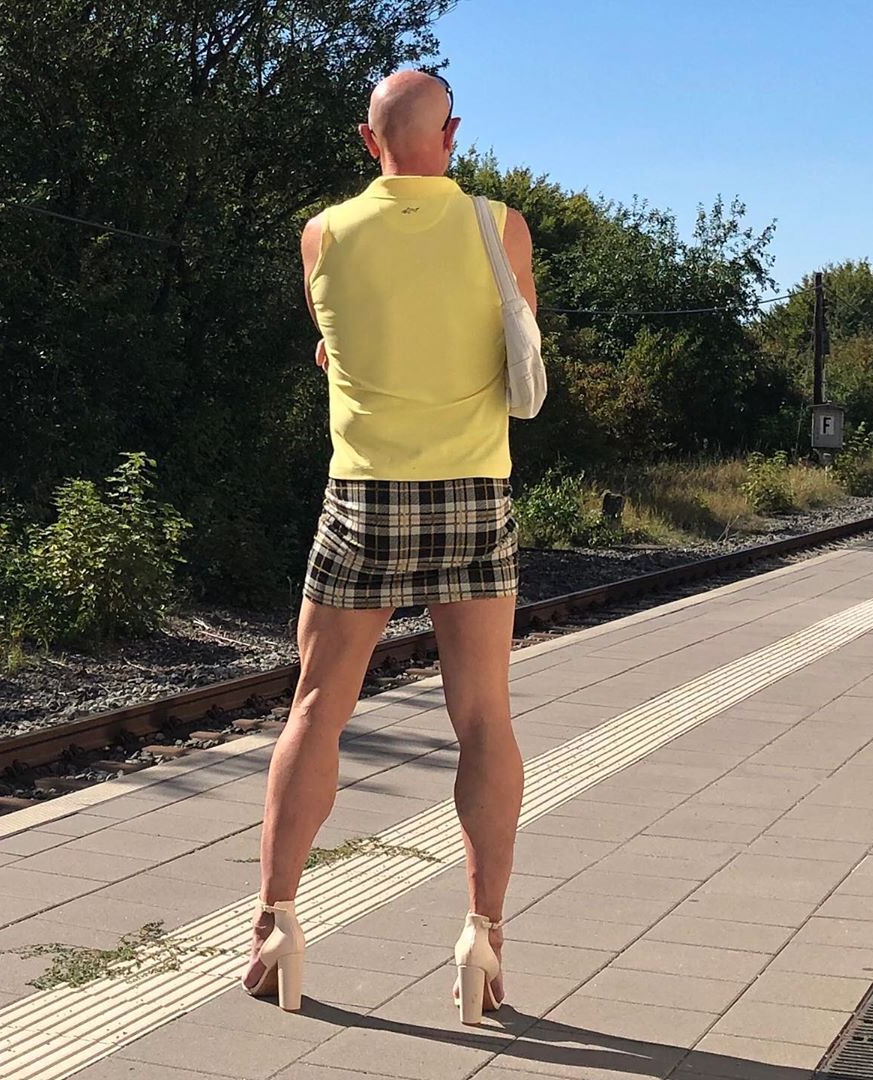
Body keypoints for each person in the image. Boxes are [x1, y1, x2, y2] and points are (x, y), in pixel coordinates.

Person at [242, 69, 537, 1025]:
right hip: (473, 492)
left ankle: (276, 923)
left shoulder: (323, 235)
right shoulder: (501, 228)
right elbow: (518, 346)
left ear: (369, 142)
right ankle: (483, 935)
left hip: (364, 497)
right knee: (483, 718)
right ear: (451, 134)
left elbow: (336, 344)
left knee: (317, 708)